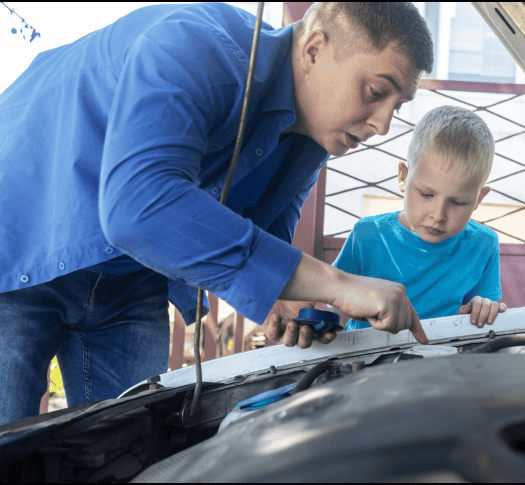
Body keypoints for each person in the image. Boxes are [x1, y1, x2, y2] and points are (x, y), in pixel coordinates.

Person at [0, 2, 432, 425]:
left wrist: (280, 300)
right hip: (20, 237)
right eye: (376, 92)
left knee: (128, 454)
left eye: (397, 105)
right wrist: (338, 284)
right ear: (314, 48)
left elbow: (266, 236)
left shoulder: (312, 142)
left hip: (131, 279)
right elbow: (140, 206)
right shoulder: (199, 46)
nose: (383, 125)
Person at [331, 106, 508, 331]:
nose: (438, 215)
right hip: (366, 361)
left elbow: (484, 311)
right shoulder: (367, 235)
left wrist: (482, 307)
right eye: (426, 194)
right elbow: (334, 301)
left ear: (478, 198)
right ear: (403, 177)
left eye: (457, 202)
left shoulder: (483, 244)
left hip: (443, 359)